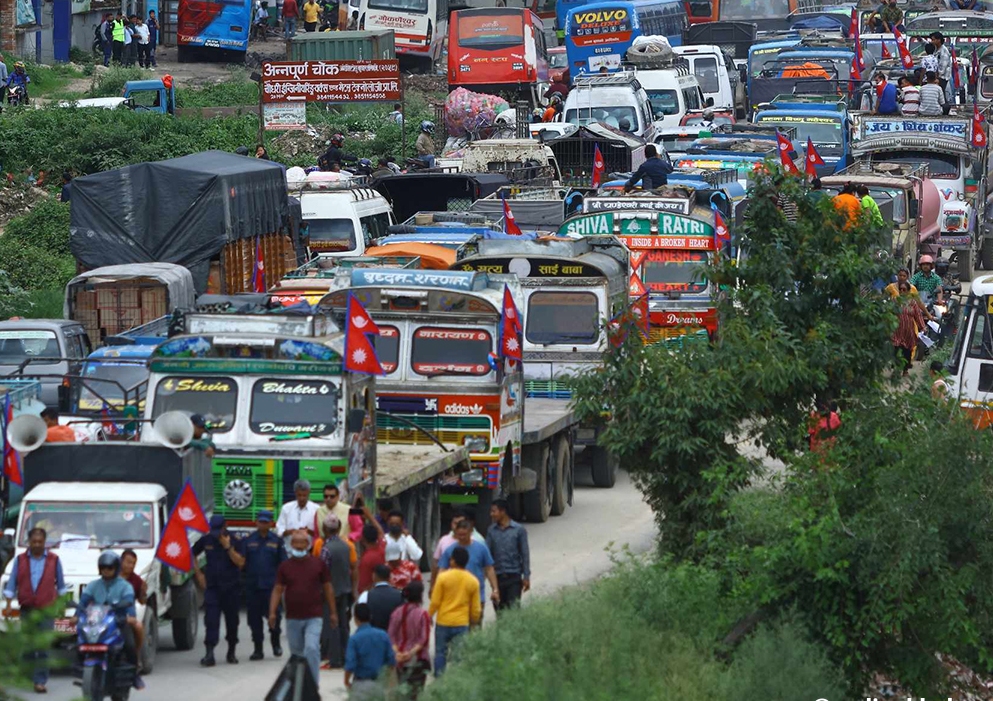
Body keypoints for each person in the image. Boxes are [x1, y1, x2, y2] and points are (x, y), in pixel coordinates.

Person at [2, 528, 67, 694]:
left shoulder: (54, 560)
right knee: (28, 645)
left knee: (44, 647)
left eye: (40, 542)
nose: (37, 545)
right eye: (34, 542)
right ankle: (27, 676)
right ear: (29, 542)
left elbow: (60, 586)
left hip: (46, 609)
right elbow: (12, 583)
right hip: (27, 609)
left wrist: (61, 607)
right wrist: (9, 605)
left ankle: (40, 681)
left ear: (45, 543)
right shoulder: (20, 560)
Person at [270, 531, 338, 689]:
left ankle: (313, 685)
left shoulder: (318, 564)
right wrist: (272, 612)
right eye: (295, 542)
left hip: (314, 616)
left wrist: (333, 612)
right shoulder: (284, 566)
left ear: (308, 545)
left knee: (312, 648)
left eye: (302, 542)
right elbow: (278, 589)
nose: (298, 545)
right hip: (292, 617)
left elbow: (328, 588)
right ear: (290, 545)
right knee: (297, 653)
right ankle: (299, 685)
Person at [193, 515, 246, 666]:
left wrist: (228, 547)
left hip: (231, 588)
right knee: (211, 620)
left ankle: (231, 651)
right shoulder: (207, 539)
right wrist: (198, 574)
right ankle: (209, 653)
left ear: (225, 526)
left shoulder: (235, 540)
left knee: (232, 621)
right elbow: (192, 554)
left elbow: (241, 563)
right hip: (213, 587)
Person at [429, 546, 481, 676]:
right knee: (458, 656)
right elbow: (475, 609)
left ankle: (439, 682)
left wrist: (428, 616)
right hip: (461, 624)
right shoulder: (473, 581)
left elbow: (435, 602)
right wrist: (474, 622)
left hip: (443, 622)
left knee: (440, 653)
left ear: (453, 561)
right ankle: (455, 682)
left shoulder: (443, 578)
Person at [243, 510, 286, 661]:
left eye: (265, 522)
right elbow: (242, 562)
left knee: (275, 618)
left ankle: (276, 644)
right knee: (254, 620)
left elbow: (283, 564)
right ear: (256, 522)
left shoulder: (276, 541)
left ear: (270, 523)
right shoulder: (248, 540)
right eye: (260, 521)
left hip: (271, 587)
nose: (263, 524)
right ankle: (258, 649)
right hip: (253, 586)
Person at [318, 514, 357, 668]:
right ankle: (346, 655)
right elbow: (352, 568)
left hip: (331, 593)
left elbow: (322, 573)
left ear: (324, 529)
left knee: (331, 624)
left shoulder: (325, 549)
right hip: (345, 590)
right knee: (344, 625)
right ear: (339, 528)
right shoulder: (347, 546)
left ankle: (335, 660)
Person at [438, 519, 499, 618]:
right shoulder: (450, 550)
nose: (461, 537)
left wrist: (495, 590)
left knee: (476, 629)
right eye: (459, 535)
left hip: (477, 597)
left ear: (471, 532)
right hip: (456, 599)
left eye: (464, 535)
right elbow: (442, 570)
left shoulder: (481, 548)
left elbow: (489, 569)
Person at [486, 499, 531, 612]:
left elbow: (524, 554)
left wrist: (526, 576)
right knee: (500, 612)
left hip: (514, 577)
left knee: (514, 611)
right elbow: (486, 554)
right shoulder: (491, 531)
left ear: (502, 511)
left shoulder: (519, 530)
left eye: (494, 511)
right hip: (497, 578)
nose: (491, 514)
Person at [388, 581, 431, 698]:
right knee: (416, 693)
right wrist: (410, 653)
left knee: (403, 693)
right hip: (418, 660)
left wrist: (398, 653)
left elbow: (391, 636)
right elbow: (424, 639)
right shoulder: (423, 614)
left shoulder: (396, 613)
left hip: (400, 662)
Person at [345, 603, 395, 699]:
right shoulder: (383, 635)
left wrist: (346, 681)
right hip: (379, 684)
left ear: (355, 618)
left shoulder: (354, 639)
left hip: (360, 684)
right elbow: (391, 661)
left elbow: (350, 665)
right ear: (370, 616)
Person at [431, 509, 484, 588]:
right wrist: (433, 585)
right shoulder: (444, 541)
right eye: (455, 523)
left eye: (460, 524)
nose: (457, 527)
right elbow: (437, 565)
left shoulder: (477, 542)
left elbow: (486, 567)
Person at [119, 549, 147, 682]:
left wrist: (143, 592)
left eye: (133, 564)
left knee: (139, 627)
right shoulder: (112, 576)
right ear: (121, 561)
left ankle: (136, 654)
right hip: (112, 614)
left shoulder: (136, 580)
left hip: (129, 617)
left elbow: (142, 601)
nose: (130, 566)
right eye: (128, 562)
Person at [892, 280, 926, 375]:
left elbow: (918, 315)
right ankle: (896, 368)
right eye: (900, 289)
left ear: (908, 291)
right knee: (896, 349)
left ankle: (905, 369)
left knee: (907, 351)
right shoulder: (895, 301)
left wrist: (923, 327)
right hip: (897, 331)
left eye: (904, 289)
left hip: (908, 331)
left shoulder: (912, 303)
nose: (902, 291)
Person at [359, 564, 403, 631]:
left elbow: (360, 618)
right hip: (395, 637)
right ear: (389, 577)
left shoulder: (365, 596)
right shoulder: (400, 595)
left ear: (374, 576)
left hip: (373, 636)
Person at [357, 522, 386, 593]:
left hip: (372, 593)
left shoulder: (367, 559)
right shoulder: (383, 546)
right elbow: (381, 533)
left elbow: (363, 585)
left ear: (363, 538)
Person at [931, 32, 953, 107]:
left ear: (939, 40)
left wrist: (937, 78)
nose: (932, 41)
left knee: (941, 95)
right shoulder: (937, 49)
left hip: (942, 77)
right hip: (938, 76)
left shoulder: (944, 51)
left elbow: (943, 67)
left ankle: (945, 109)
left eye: (933, 40)